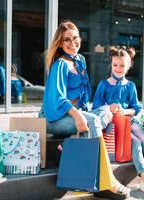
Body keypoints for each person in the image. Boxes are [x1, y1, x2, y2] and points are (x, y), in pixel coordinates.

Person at [38, 20, 130, 199]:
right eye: (66, 40)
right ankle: (108, 181)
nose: (72, 43)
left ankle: (68, 142)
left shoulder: (80, 60)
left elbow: (84, 94)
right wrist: (78, 115)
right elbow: (56, 98)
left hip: (75, 113)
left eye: (75, 38)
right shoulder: (60, 64)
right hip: (53, 117)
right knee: (93, 120)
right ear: (60, 42)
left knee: (105, 111)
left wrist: (94, 110)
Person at [92, 46, 144, 198]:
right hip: (114, 124)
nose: (118, 68)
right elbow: (96, 107)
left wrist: (127, 111)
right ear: (111, 64)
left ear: (129, 66)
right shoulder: (104, 84)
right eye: (115, 65)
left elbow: (136, 107)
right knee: (135, 142)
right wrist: (110, 107)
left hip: (129, 119)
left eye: (122, 65)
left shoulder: (130, 86)